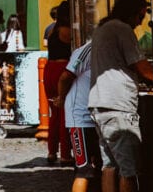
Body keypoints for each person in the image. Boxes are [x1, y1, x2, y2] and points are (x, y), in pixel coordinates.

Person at [88, 0, 153, 192]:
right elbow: (144, 69)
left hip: (99, 104)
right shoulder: (122, 29)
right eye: (140, 16)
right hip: (118, 106)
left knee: (109, 166)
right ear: (130, 12)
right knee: (129, 170)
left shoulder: (102, 28)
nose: (141, 22)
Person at [56, 39, 101, 192]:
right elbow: (65, 77)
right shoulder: (88, 49)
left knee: (98, 167)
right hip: (80, 118)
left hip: (97, 117)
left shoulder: (108, 50)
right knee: (84, 169)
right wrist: (61, 99)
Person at [43, 0, 73, 166]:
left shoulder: (52, 29)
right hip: (63, 69)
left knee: (54, 113)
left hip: (50, 69)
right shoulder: (67, 31)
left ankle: (51, 151)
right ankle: (65, 154)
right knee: (64, 113)